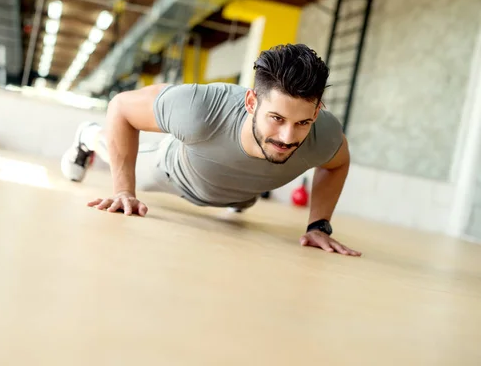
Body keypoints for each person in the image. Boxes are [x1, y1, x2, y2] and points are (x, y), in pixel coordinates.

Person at [61, 43, 361, 256]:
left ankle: (236, 198)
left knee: (243, 202)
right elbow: (121, 107)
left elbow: (337, 164)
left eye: (303, 122)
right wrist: (124, 190)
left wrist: (319, 225)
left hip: (239, 195)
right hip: (172, 173)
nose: (287, 136)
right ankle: (88, 135)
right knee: (118, 155)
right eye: (277, 118)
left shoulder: (326, 133)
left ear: (318, 110)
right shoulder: (198, 109)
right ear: (251, 103)